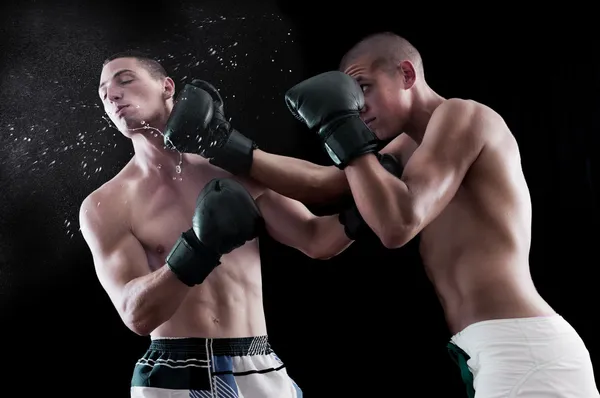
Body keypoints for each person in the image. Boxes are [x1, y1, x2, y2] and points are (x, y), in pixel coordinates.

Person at [188, 33, 600, 397]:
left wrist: (339, 123)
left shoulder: (464, 115)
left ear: (406, 74)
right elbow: (326, 185)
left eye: (364, 87)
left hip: (524, 348)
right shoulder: (406, 149)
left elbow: (398, 224)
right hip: (492, 349)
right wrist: (224, 144)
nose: (358, 107)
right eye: (351, 97)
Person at [79, 50, 366, 398]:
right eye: (103, 92)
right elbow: (136, 315)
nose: (112, 94)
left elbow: (317, 238)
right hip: (172, 372)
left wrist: (373, 202)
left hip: (258, 364)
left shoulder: (232, 168)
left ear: (167, 87)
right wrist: (197, 249)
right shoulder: (105, 204)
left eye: (125, 80)